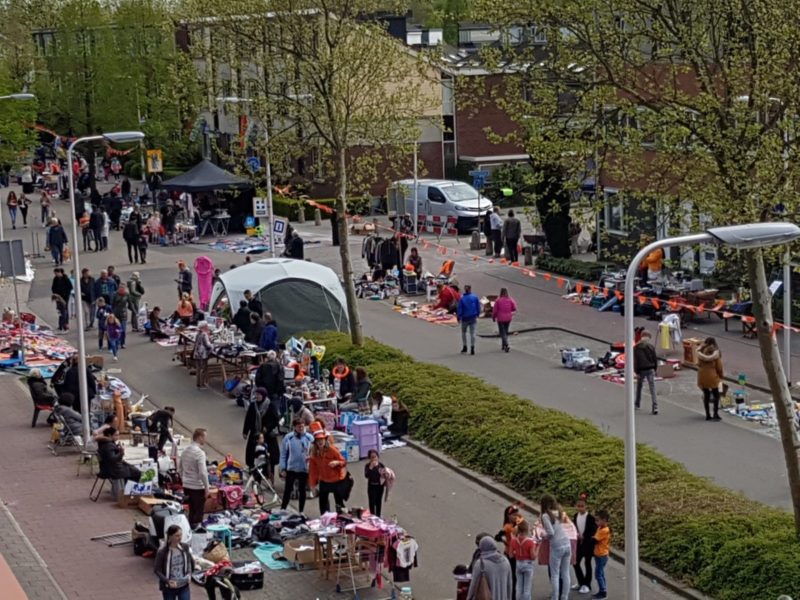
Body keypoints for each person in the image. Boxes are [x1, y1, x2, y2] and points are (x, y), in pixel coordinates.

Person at [308, 428, 348, 514]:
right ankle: (325, 520)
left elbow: (343, 461)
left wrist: (337, 462)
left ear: (325, 439)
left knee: (339, 504)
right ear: (315, 442)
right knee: (323, 504)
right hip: (324, 481)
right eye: (318, 440)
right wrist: (312, 486)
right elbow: (312, 471)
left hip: (336, 480)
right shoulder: (314, 454)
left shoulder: (332, 449)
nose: (320, 442)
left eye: (321, 439)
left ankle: (342, 519)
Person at [540, 494, 571, 600]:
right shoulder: (558, 512)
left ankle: (555, 597)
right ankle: (564, 596)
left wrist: (543, 536)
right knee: (565, 572)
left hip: (556, 546)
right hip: (566, 543)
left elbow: (551, 533)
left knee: (555, 574)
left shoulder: (545, 515)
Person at [279, 418, 313, 513]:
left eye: (302, 426)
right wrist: (283, 468)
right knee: (287, 490)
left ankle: (301, 511)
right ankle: (283, 509)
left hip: (304, 469)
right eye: (299, 427)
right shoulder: (288, 438)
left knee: (302, 491)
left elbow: (314, 453)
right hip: (291, 469)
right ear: (294, 427)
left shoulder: (310, 438)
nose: (301, 428)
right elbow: (283, 454)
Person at [179, 428, 210, 529]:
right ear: (200, 437)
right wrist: (207, 487)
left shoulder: (185, 451)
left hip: (187, 486)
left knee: (191, 510)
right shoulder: (200, 453)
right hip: (197, 487)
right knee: (198, 513)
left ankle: (189, 530)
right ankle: (196, 534)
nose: (205, 440)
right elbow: (203, 473)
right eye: (205, 437)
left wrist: (184, 480)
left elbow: (180, 469)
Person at [154, 524, 194, 600]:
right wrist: (167, 581)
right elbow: (157, 570)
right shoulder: (162, 551)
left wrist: (189, 574)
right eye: (177, 536)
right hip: (169, 588)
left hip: (183, 585)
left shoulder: (185, 547)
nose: (180, 538)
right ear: (170, 536)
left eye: (181, 535)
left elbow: (188, 561)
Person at [572, 494, 597, 595]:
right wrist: (577, 535)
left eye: (582, 506)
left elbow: (593, 531)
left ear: (586, 506)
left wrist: (585, 537)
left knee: (587, 564)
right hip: (578, 543)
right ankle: (581, 581)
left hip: (588, 544)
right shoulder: (575, 516)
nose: (580, 508)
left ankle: (587, 584)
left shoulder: (590, 518)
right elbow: (574, 527)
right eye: (578, 506)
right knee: (575, 562)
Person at [697, 337, 724, 421]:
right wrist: (721, 376)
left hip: (702, 376)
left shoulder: (700, 352)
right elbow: (719, 367)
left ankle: (707, 415)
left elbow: (698, 363)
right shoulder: (715, 353)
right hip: (713, 376)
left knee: (706, 395)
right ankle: (715, 413)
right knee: (716, 395)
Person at [242, 387, 270, 468]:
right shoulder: (253, 405)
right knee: (251, 450)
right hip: (254, 432)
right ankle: (251, 466)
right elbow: (248, 418)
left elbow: (273, 419)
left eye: (259, 394)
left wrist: (267, 427)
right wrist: (245, 431)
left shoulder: (269, 405)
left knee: (263, 451)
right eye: (256, 394)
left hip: (264, 433)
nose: (257, 396)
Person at [511, 520, 537, 600]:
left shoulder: (513, 541)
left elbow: (510, 554)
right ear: (527, 530)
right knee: (527, 588)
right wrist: (537, 549)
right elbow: (533, 556)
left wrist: (517, 553)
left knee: (519, 586)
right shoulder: (530, 542)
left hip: (518, 563)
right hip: (528, 564)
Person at [633, 330, 658, 414]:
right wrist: (655, 368)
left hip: (641, 370)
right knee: (652, 388)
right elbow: (655, 358)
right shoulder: (651, 347)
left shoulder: (636, 348)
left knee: (639, 387)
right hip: (650, 368)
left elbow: (636, 361)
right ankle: (655, 406)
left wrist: (636, 371)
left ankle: (637, 404)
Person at [457, 284, 481, 355]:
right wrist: (478, 314)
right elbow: (478, 306)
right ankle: (472, 347)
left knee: (464, 332)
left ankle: (465, 347)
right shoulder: (474, 297)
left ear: (465, 290)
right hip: (473, 317)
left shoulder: (462, 298)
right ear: (470, 289)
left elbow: (460, 309)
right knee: (472, 333)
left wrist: (459, 317)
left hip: (465, 318)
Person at [591, 510, 610, 600]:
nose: (596, 522)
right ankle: (602, 589)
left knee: (598, 574)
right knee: (601, 573)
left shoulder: (604, 530)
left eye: (598, 520)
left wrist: (590, 539)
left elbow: (595, 540)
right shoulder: (600, 528)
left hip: (602, 555)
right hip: (598, 554)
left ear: (604, 520)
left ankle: (603, 592)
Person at [492, 287, 517, 353]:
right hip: (508, 318)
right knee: (505, 331)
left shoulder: (498, 300)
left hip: (500, 318)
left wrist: (493, 317)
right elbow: (514, 308)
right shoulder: (510, 299)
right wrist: (509, 310)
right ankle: (503, 346)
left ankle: (506, 344)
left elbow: (495, 310)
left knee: (502, 332)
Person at [364, 449, 386, 517]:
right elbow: (366, 475)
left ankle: (378, 516)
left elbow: (384, 475)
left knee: (378, 502)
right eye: (372, 457)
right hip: (371, 486)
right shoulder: (367, 466)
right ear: (369, 458)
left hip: (379, 486)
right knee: (372, 502)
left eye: (375, 456)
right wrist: (371, 467)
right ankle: (372, 516)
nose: (374, 459)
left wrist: (385, 474)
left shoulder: (381, 465)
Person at [111, 285, 135, 349]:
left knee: (123, 330)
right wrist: (111, 313)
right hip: (116, 314)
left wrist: (134, 311)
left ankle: (122, 343)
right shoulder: (115, 294)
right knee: (117, 329)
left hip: (123, 314)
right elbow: (112, 304)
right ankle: (117, 341)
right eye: (120, 290)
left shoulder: (127, 295)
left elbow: (130, 304)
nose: (122, 291)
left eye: (123, 290)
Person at [193, 321, 213, 388]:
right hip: (202, 353)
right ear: (204, 327)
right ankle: (203, 383)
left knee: (198, 368)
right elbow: (207, 345)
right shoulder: (204, 334)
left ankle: (198, 383)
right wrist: (212, 345)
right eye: (206, 326)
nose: (207, 327)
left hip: (196, 352)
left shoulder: (198, 333)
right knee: (203, 369)